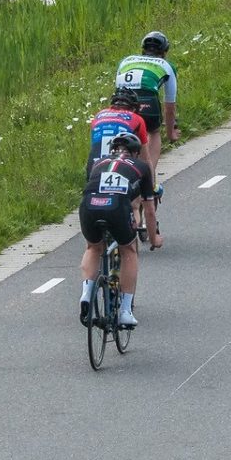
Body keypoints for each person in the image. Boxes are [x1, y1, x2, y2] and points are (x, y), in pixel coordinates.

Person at [77, 127, 158, 329]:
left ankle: (86, 293)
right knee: (128, 251)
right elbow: (148, 210)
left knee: (93, 248)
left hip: (89, 205)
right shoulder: (141, 166)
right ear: (136, 153)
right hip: (116, 208)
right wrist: (154, 238)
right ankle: (124, 312)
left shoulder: (98, 163)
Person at [114, 31, 178, 174]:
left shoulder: (126, 61)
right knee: (153, 131)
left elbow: (117, 87)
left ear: (142, 49)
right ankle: (148, 178)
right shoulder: (167, 65)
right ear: (165, 52)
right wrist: (170, 133)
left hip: (122, 100)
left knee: (123, 132)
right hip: (147, 100)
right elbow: (170, 106)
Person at [87, 90, 148, 169]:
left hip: (94, 164)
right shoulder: (137, 118)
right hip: (119, 165)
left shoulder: (98, 115)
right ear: (133, 109)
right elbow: (145, 158)